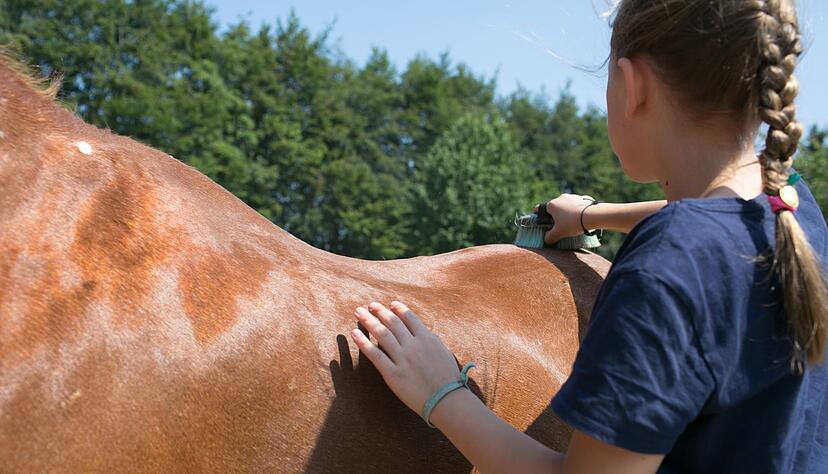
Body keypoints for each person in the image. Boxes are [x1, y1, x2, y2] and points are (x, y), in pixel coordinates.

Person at [349, 0, 828, 472]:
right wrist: (591, 216)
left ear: (633, 85)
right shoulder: (792, 207)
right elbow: (716, 227)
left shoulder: (667, 264)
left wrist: (443, 394)